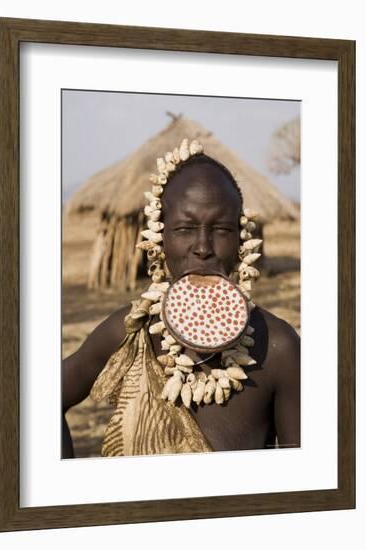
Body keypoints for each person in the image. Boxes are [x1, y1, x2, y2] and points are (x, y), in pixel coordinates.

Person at [61, 139, 300, 458]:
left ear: (242, 241)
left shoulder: (278, 348)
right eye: (185, 228)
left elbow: (308, 482)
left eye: (222, 229)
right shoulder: (130, 333)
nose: (203, 246)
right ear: (160, 239)